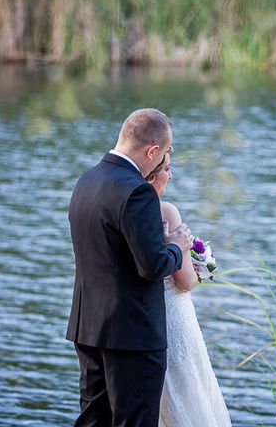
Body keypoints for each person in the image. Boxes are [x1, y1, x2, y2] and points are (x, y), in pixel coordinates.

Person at [66, 108, 193, 426]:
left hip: (88, 327)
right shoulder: (137, 191)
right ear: (153, 151)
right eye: (164, 154)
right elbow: (153, 266)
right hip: (132, 335)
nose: (163, 162)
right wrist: (178, 247)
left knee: (93, 421)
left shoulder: (87, 180)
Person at [145, 153, 232, 427]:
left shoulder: (127, 209)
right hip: (174, 318)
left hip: (146, 319)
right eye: (167, 169)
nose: (170, 176)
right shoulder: (166, 211)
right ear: (152, 172)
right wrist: (197, 269)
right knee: (187, 389)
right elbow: (183, 281)